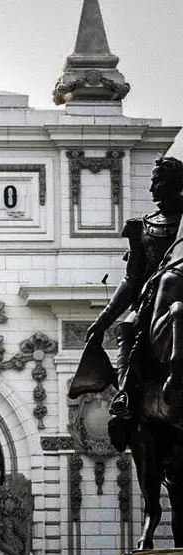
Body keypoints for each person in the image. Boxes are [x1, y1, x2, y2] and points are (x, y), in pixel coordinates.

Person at [83, 156, 183, 418]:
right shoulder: (143, 227)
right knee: (128, 327)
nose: (152, 189)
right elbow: (130, 280)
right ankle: (125, 394)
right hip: (152, 297)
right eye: (152, 183)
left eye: (158, 182)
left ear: (177, 183)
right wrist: (104, 319)